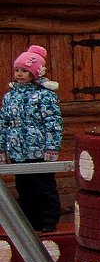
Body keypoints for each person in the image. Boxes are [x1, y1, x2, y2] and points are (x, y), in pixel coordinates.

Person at [0, 46, 63, 231]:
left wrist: (52, 147)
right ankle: (29, 223)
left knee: (44, 187)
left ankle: (48, 222)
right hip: (18, 151)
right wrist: (2, 148)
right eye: (17, 70)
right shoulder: (10, 97)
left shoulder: (45, 96)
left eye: (25, 71)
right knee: (24, 188)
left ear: (35, 73)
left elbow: (53, 122)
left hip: (39, 150)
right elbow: (4, 123)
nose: (19, 74)